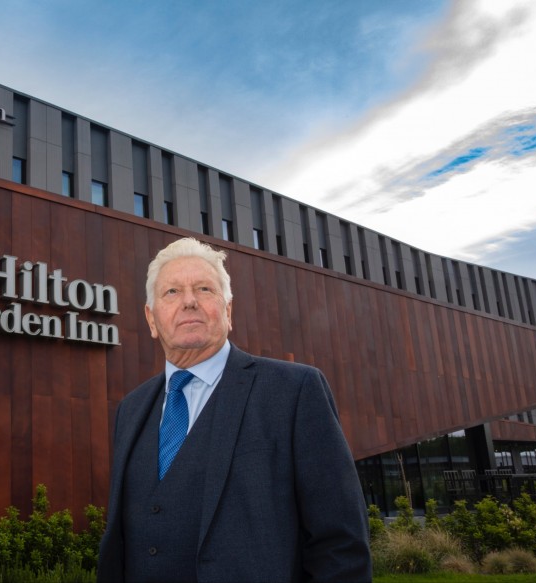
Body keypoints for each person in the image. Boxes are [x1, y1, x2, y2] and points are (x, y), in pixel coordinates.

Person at [97, 237, 371, 582]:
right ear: (151, 319)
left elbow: (341, 545)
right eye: (172, 292)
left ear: (228, 311)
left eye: (204, 289)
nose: (189, 301)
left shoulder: (294, 391)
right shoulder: (131, 409)